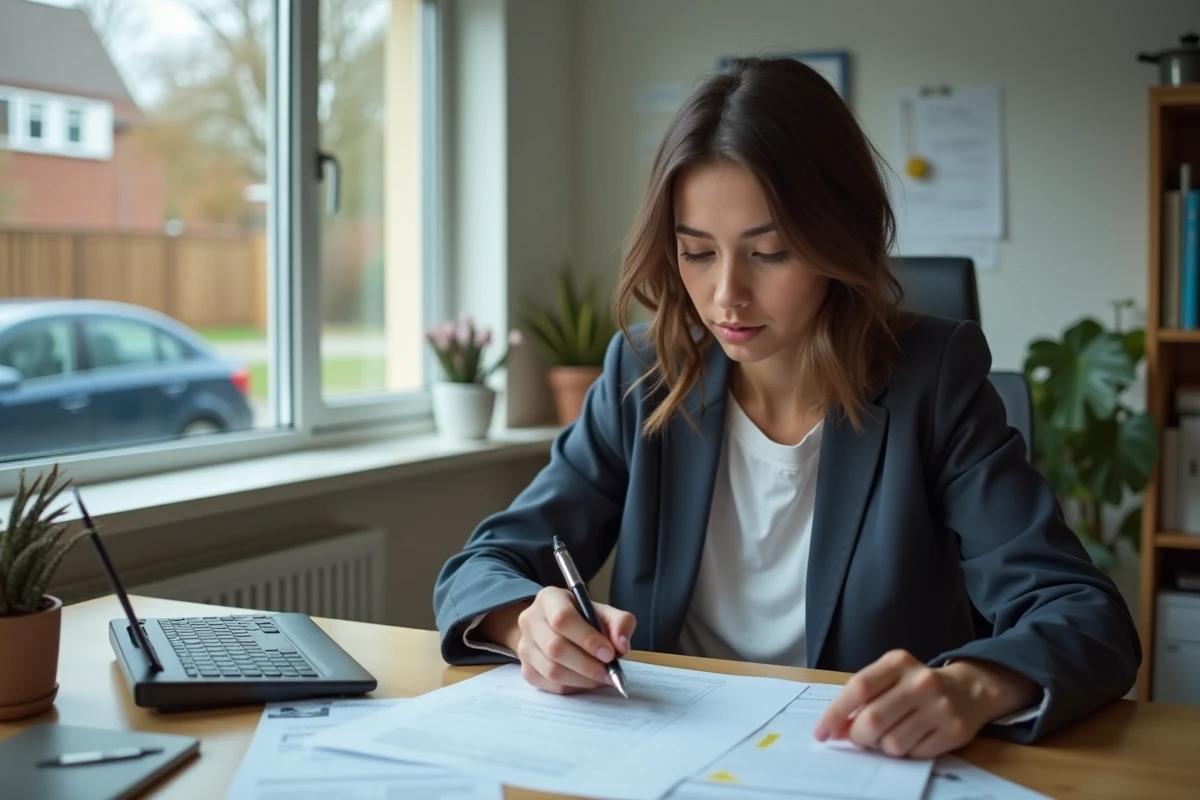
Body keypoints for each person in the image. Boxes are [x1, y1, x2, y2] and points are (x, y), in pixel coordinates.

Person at [432, 56, 1140, 758]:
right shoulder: (647, 371)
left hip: (848, 763)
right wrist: (525, 623)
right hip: (667, 757)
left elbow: (1084, 615)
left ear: (840, 240)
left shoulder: (934, 382)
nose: (726, 297)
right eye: (697, 253)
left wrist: (972, 687)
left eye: (768, 253)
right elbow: (483, 565)